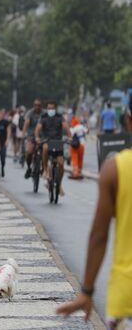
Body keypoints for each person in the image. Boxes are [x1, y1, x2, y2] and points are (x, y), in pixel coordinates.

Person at [56, 111, 132, 327]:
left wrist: (86, 292)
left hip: (126, 295)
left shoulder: (115, 170)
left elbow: (99, 236)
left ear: (128, 121)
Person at [35, 100, 71, 195]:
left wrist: (70, 137)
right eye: (48, 108)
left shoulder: (60, 117)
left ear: (55, 108)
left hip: (57, 142)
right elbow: (38, 129)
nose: (50, 110)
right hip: (46, 140)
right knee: (45, 148)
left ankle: (59, 185)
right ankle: (46, 169)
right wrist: (37, 137)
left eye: (52, 108)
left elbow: (66, 128)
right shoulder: (43, 117)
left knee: (61, 164)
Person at [22, 99, 44, 178]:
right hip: (31, 136)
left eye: (39, 105)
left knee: (45, 151)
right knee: (29, 152)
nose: (37, 107)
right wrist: (23, 134)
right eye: (35, 105)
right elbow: (26, 123)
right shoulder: (30, 113)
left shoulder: (44, 113)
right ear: (33, 105)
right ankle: (29, 168)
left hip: (42, 136)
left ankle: (43, 167)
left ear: (41, 106)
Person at [69, 116, 88, 180]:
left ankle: (75, 173)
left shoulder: (73, 128)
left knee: (75, 159)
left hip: (75, 146)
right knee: (80, 159)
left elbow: (70, 135)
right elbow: (87, 131)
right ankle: (79, 172)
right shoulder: (82, 126)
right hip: (82, 145)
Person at [0, 109, 11, 179]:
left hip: (3, 142)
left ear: (2, 115)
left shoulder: (5, 122)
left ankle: (2, 168)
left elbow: (8, 131)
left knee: (2, 158)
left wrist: (7, 140)